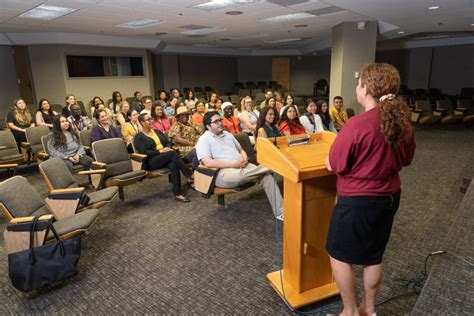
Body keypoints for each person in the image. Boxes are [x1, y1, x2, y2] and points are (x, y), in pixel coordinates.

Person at [325, 63, 416, 316]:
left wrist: (329, 162)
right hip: (389, 198)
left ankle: (350, 311)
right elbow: (406, 159)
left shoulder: (356, 125)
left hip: (358, 201)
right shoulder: (403, 123)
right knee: (373, 256)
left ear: (365, 89)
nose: (357, 87)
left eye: (359, 83)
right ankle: (369, 309)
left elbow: (336, 165)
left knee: (337, 254)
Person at [196, 111, 283, 220]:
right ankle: (271, 168)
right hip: (222, 172)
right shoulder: (204, 140)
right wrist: (234, 164)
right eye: (216, 121)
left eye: (220, 120)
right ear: (208, 125)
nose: (220, 123)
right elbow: (208, 162)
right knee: (243, 174)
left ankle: (280, 211)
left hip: (243, 166)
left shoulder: (227, 134)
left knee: (266, 177)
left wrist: (245, 157)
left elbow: (240, 149)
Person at [134, 113, 193, 203]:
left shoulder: (157, 131)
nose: (151, 121)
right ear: (142, 122)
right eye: (148, 119)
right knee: (172, 153)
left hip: (165, 156)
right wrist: (159, 151)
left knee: (173, 165)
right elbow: (143, 152)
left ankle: (178, 194)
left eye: (151, 119)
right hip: (151, 161)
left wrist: (167, 147)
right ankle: (189, 174)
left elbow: (167, 142)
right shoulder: (139, 137)